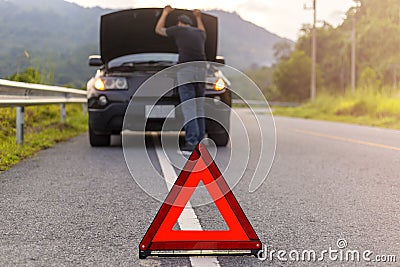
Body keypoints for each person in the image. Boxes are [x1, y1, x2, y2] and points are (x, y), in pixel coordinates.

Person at [155, 5, 207, 155]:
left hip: (187, 69)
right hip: (201, 69)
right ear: (191, 24)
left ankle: (191, 142)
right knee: (199, 107)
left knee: (189, 106)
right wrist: (199, 17)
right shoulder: (200, 33)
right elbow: (203, 30)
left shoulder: (179, 30)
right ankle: (200, 142)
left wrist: (165, 13)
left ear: (179, 24)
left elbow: (158, 30)